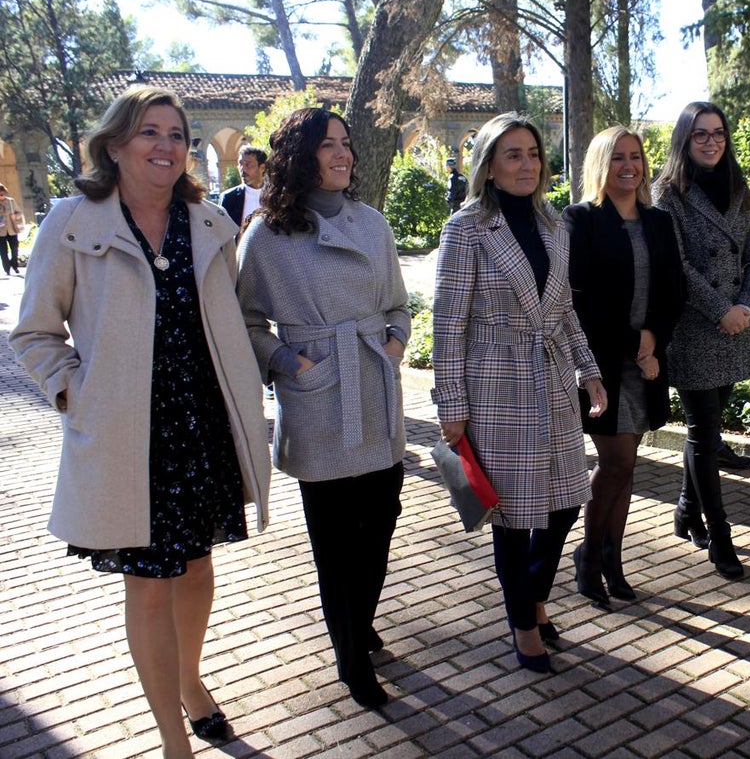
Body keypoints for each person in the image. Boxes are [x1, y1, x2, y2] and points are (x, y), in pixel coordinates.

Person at [10, 86, 272, 759]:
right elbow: (35, 332)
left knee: (199, 571)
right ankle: (170, 738)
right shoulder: (74, 220)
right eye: (149, 132)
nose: (165, 145)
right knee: (150, 587)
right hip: (130, 438)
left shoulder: (209, 221)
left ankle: (190, 681)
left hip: (202, 426)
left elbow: (232, 322)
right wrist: (77, 394)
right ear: (116, 144)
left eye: (177, 133)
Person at [236, 107, 409, 711]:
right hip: (318, 398)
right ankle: (350, 655)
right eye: (327, 145)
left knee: (382, 522)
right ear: (298, 156)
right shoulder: (267, 236)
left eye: (346, 144)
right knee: (336, 542)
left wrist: (391, 347)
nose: (342, 155)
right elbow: (246, 320)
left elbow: (398, 306)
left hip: (374, 386)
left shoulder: (373, 224)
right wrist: (290, 363)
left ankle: (358, 621)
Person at [432, 113, 607, 673]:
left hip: (552, 381)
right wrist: (452, 406)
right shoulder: (466, 227)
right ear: (489, 164)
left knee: (563, 503)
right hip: (494, 388)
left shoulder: (555, 223)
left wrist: (590, 369)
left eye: (533, 153)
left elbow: (565, 309)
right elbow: (447, 321)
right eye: (513, 154)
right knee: (510, 518)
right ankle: (524, 624)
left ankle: (532, 597)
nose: (527, 163)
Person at [563, 126, 684, 606]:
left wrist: (653, 339)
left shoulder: (658, 222)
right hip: (602, 362)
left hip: (647, 360)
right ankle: (590, 556)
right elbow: (581, 300)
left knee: (627, 467)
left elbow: (674, 290)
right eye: (617, 158)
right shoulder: (581, 220)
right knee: (617, 462)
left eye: (635, 156)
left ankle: (611, 560)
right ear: (600, 164)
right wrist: (637, 344)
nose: (628, 166)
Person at [652, 101, 750, 580]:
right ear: (684, 139)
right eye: (700, 134)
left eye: (718, 132)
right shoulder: (667, 194)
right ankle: (720, 535)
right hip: (694, 327)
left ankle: (685, 507)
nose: (711, 141)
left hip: (736, 326)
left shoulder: (738, 188)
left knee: (709, 429)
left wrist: (746, 307)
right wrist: (722, 310)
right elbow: (675, 266)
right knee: (705, 431)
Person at [220, 145, 268, 232]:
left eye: (248, 164)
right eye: (240, 164)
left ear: (262, 167)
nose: (243, 169)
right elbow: (222, 231)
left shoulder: (275, 196)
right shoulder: (229, 198)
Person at [0, 182, 23, 276]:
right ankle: (7, 269)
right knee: (3, 251)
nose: (1, 196)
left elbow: (20, 212)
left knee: (15, 249)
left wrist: (15, 216)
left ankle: (14, 265)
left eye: (2, 193)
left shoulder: (11, 201)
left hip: (12, 230)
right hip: (1, 232)